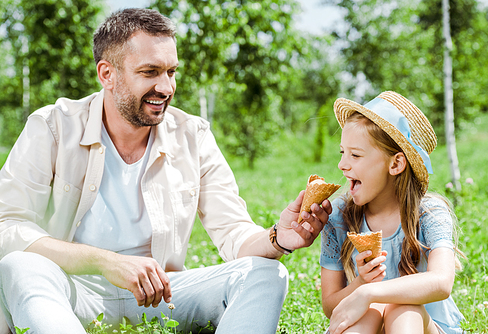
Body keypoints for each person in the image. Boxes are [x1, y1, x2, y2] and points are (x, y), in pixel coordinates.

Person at [0, 8, 332, 334]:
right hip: (73, 292)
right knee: (19, 265)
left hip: (163, 296)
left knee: (265, 274)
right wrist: (106, 262)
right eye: (150, 72)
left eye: (171, 71)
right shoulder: (53, 126)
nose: (166, 87)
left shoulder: (192, 135)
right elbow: (7, 227)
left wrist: (278, 238)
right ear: (107, 74)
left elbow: (234, 233)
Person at [320, 91, 465, 334]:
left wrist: (369, 291)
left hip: (422, 325)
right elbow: (330, 306)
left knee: (402, 309)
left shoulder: (429, 212)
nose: (342, 164)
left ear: (396, 164)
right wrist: (360, 283)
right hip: (368, 323)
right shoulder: (337, 217)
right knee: (369, 313)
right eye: (342, 152)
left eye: (355, 155)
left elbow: (441, 282)